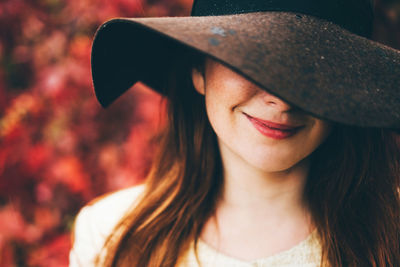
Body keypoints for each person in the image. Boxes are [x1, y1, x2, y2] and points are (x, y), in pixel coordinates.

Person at [69, 0, 400, 266]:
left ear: (349, 88)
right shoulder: (110, 236)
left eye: (314, 70)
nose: (282, 99)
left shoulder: (390, 238)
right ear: (198, 68)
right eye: (254, 60)